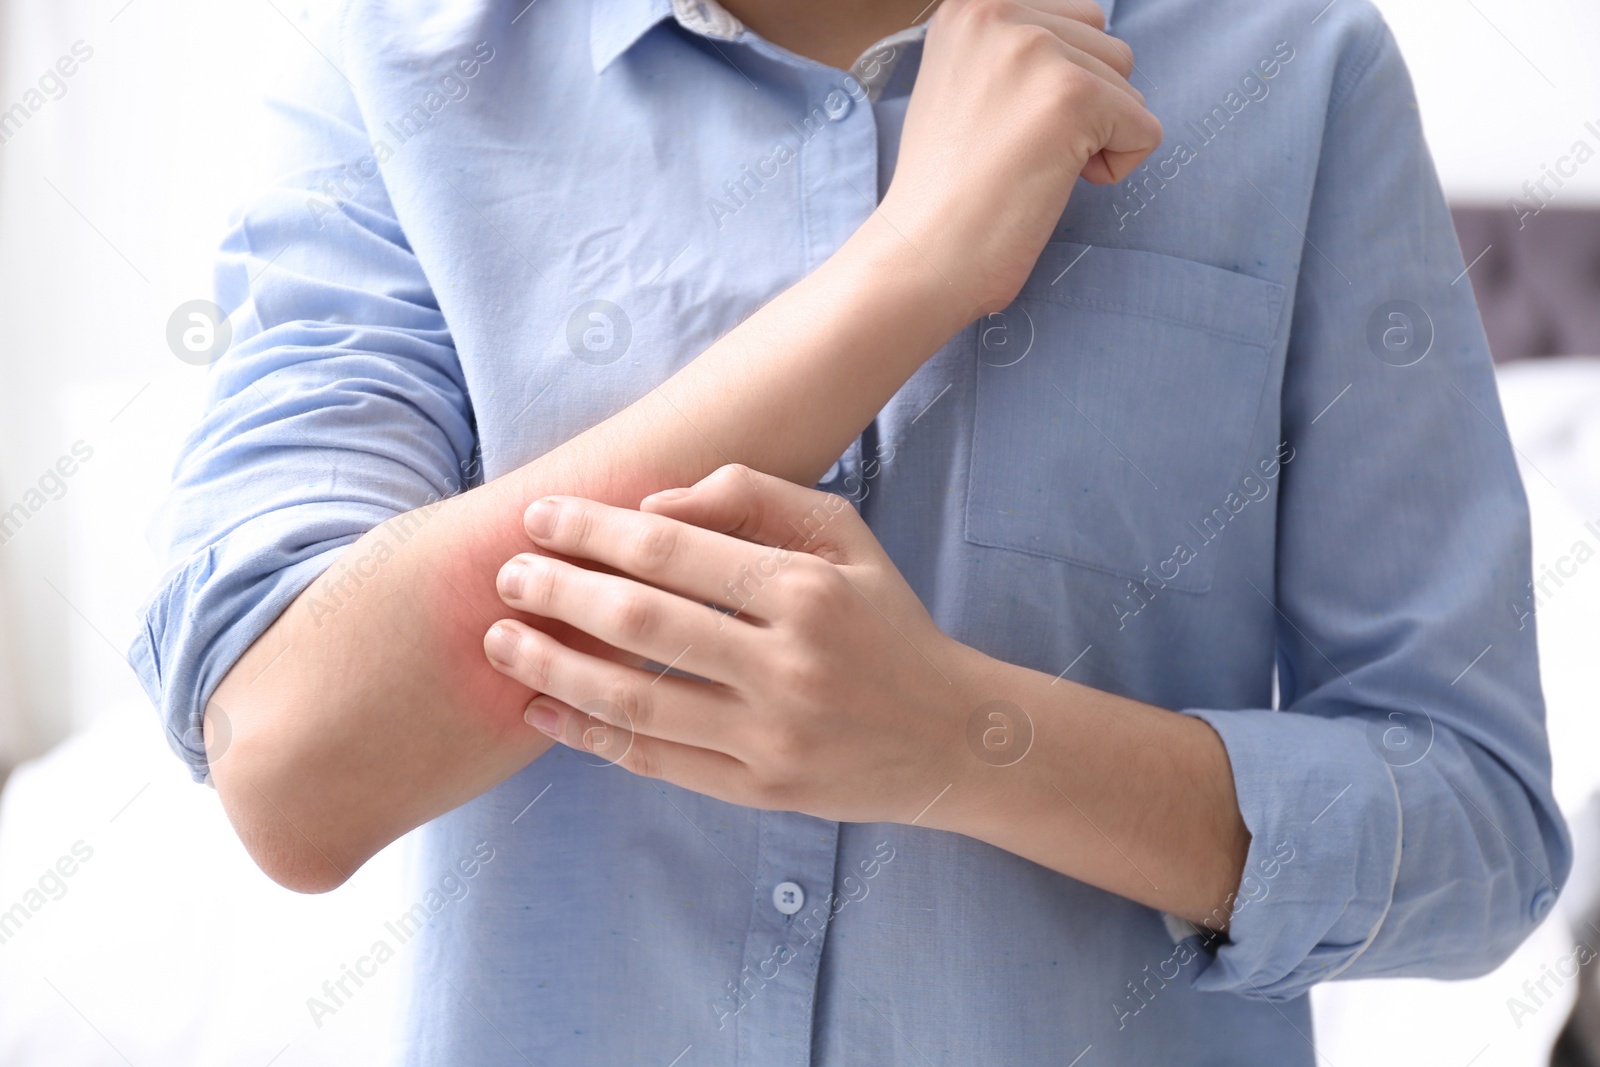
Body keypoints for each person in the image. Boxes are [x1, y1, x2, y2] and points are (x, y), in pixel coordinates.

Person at [131, 0, 1570, 1062]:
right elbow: (294, 760)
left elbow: (1480, 822)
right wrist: (907, 272)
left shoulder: (1293, 65)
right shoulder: (392, 70)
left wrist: (962, 744)